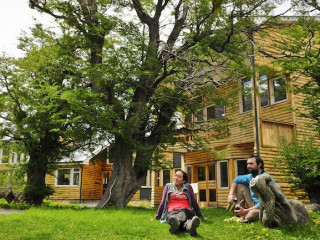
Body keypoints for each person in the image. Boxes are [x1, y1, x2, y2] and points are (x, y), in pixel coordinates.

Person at [227, 155, 275, 223]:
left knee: (252, 215)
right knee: (240, 185)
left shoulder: (267, 179)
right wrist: (230, 195)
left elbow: (265, 202)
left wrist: (246, 211)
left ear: (259, 165)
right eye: (247, 164)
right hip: (254, 205)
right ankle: (239, 213)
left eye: (251, 164)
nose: (248, 166)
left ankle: (244, 216)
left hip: (265, 208)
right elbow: (236, 179)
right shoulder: (250, 177)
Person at [155, 170, 203, 236]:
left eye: (179, 176)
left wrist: (200, 215)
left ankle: (176, 225)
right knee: (173, 218)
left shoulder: (188, 187)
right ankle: (188, 227)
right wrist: (158, 216)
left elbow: (194, 202)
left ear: (183, 181)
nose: (176, 178)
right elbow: (163, 201)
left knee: (182, 212)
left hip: (186, 211)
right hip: (172, 212)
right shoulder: (168, 186)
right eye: (175, 175)